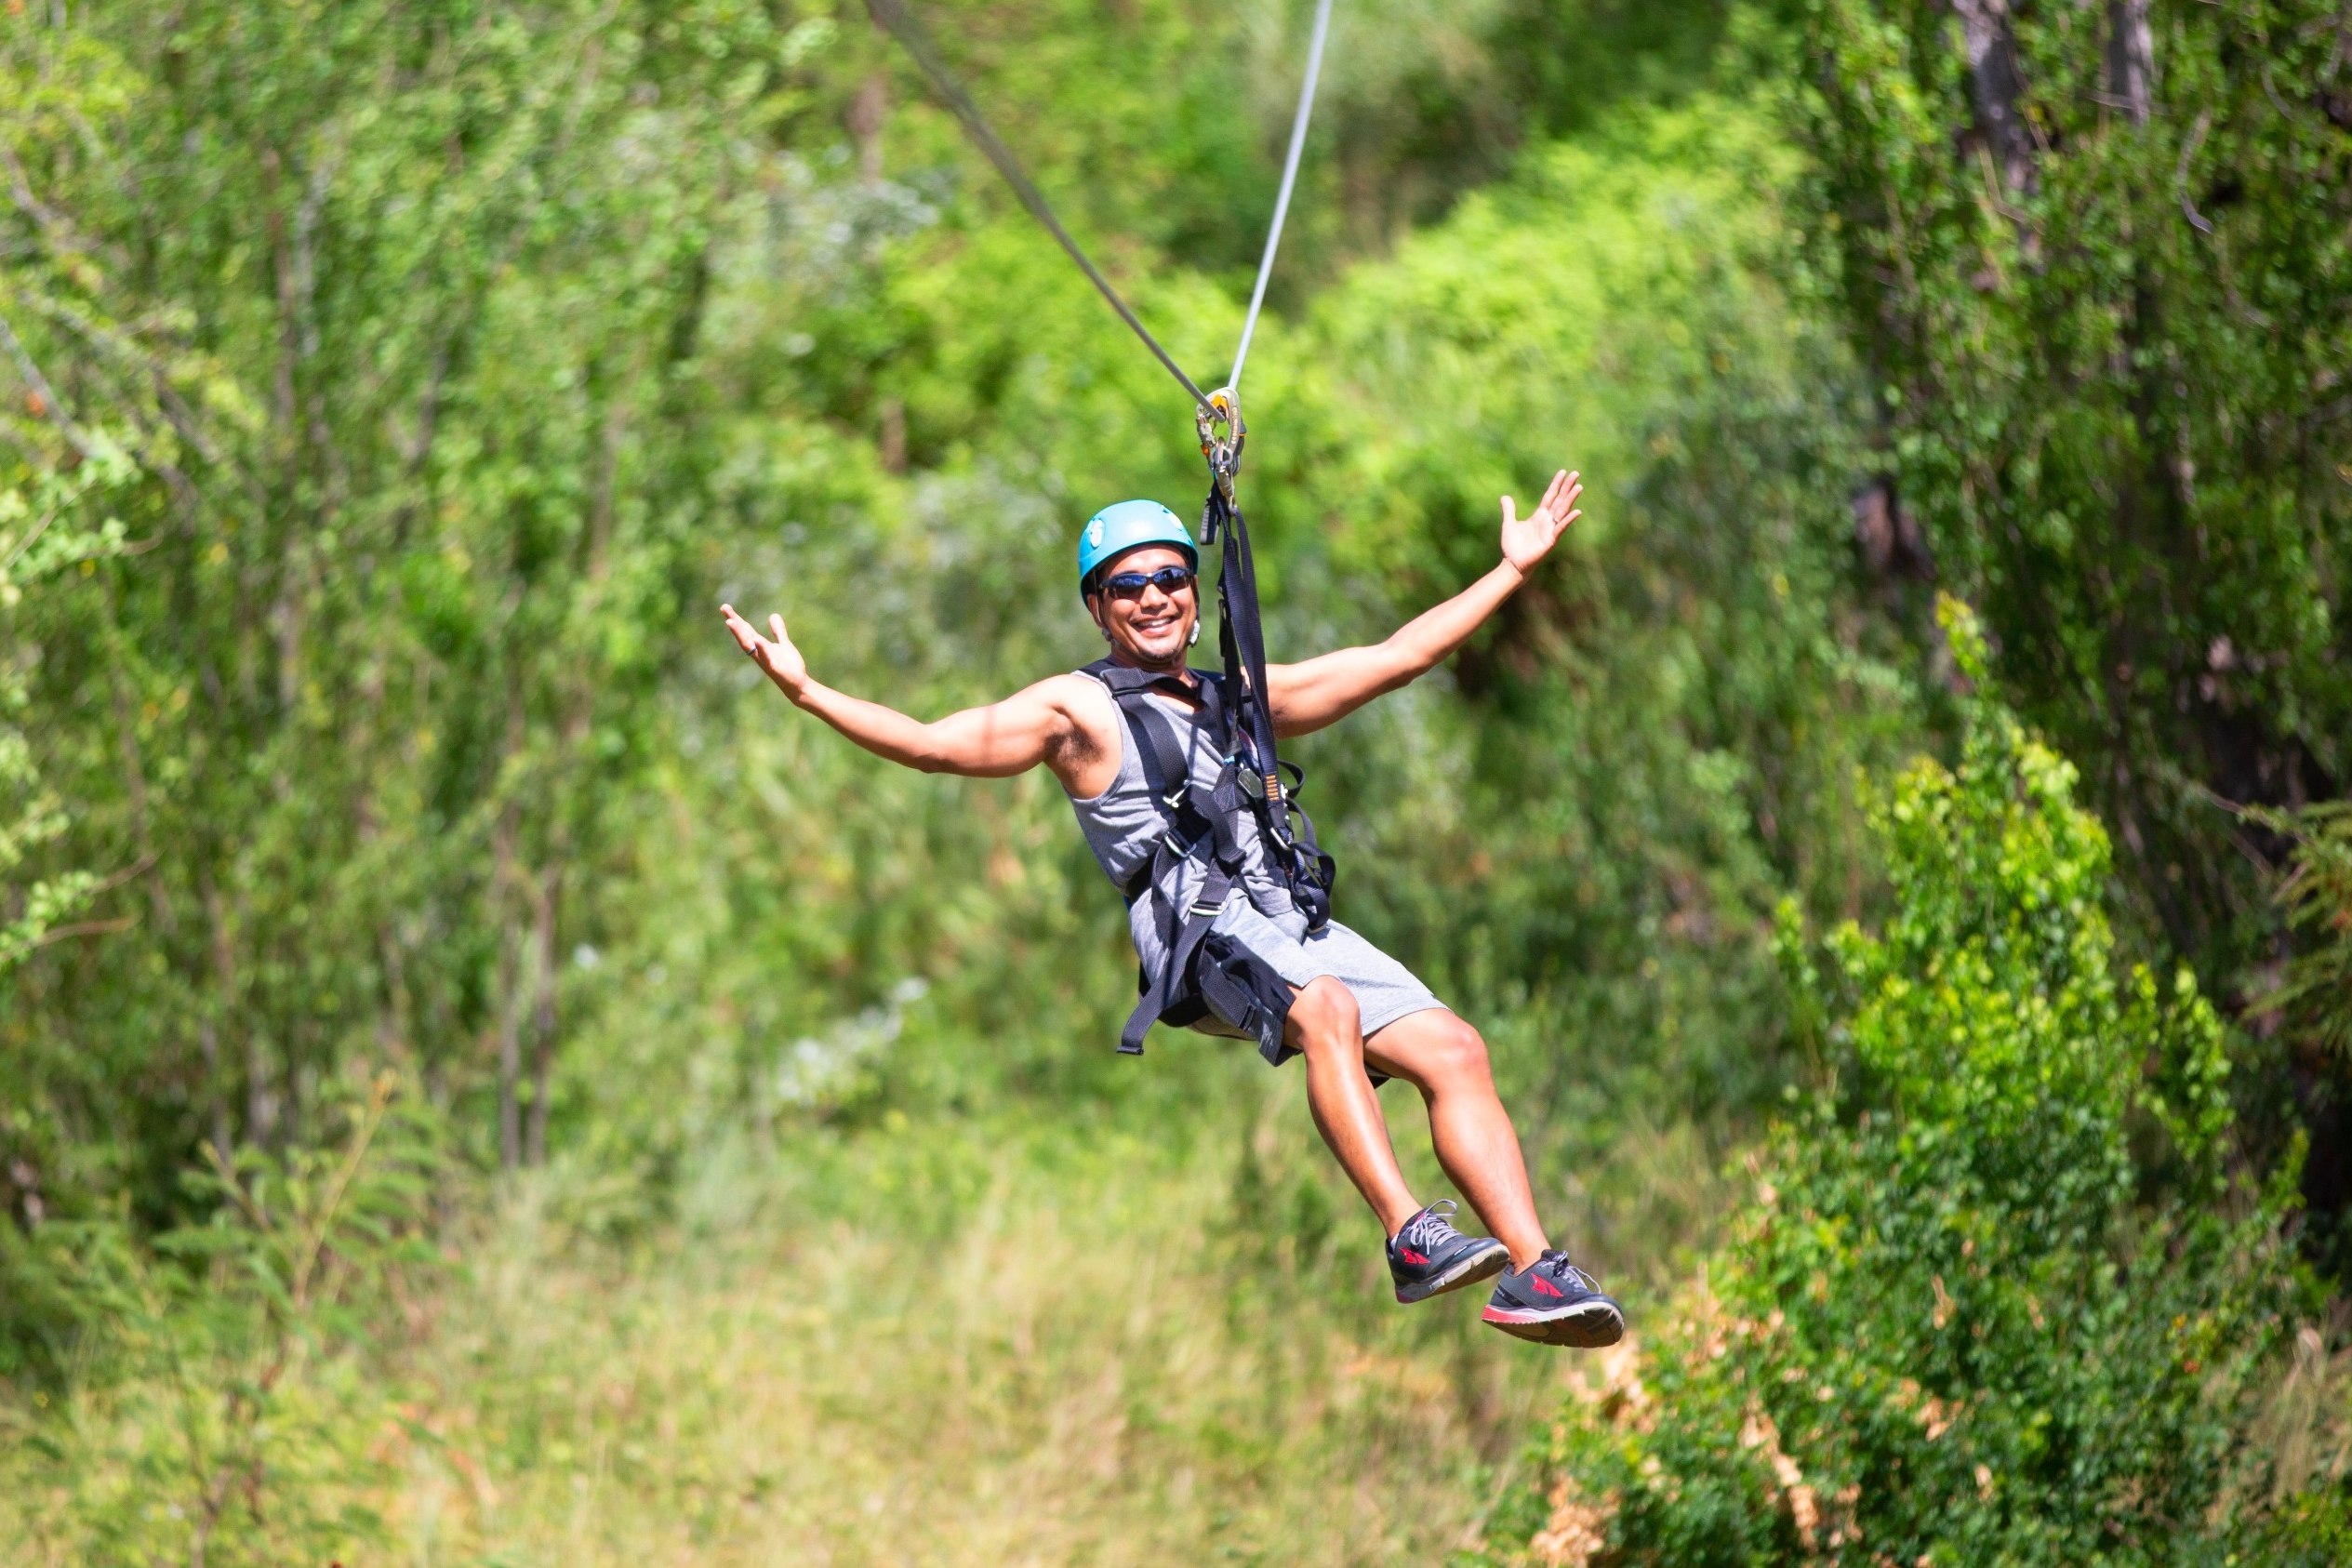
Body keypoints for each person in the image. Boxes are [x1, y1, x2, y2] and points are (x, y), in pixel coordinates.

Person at [720, 468, 1622, 1347]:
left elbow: (1395, 660)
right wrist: (808, 692)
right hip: (1199, 928)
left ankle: (1534, 1272)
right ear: (1096, 607)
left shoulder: (1238, 698)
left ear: (1194, 593)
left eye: (1169, 579)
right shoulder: (1077, 708)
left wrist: (1511, 569)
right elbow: (931, 746)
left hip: (1286, 919)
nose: (1152, 598)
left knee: (1455, 1047)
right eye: (1126, 587)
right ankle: (1407, 1235)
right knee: (1327, 1009)